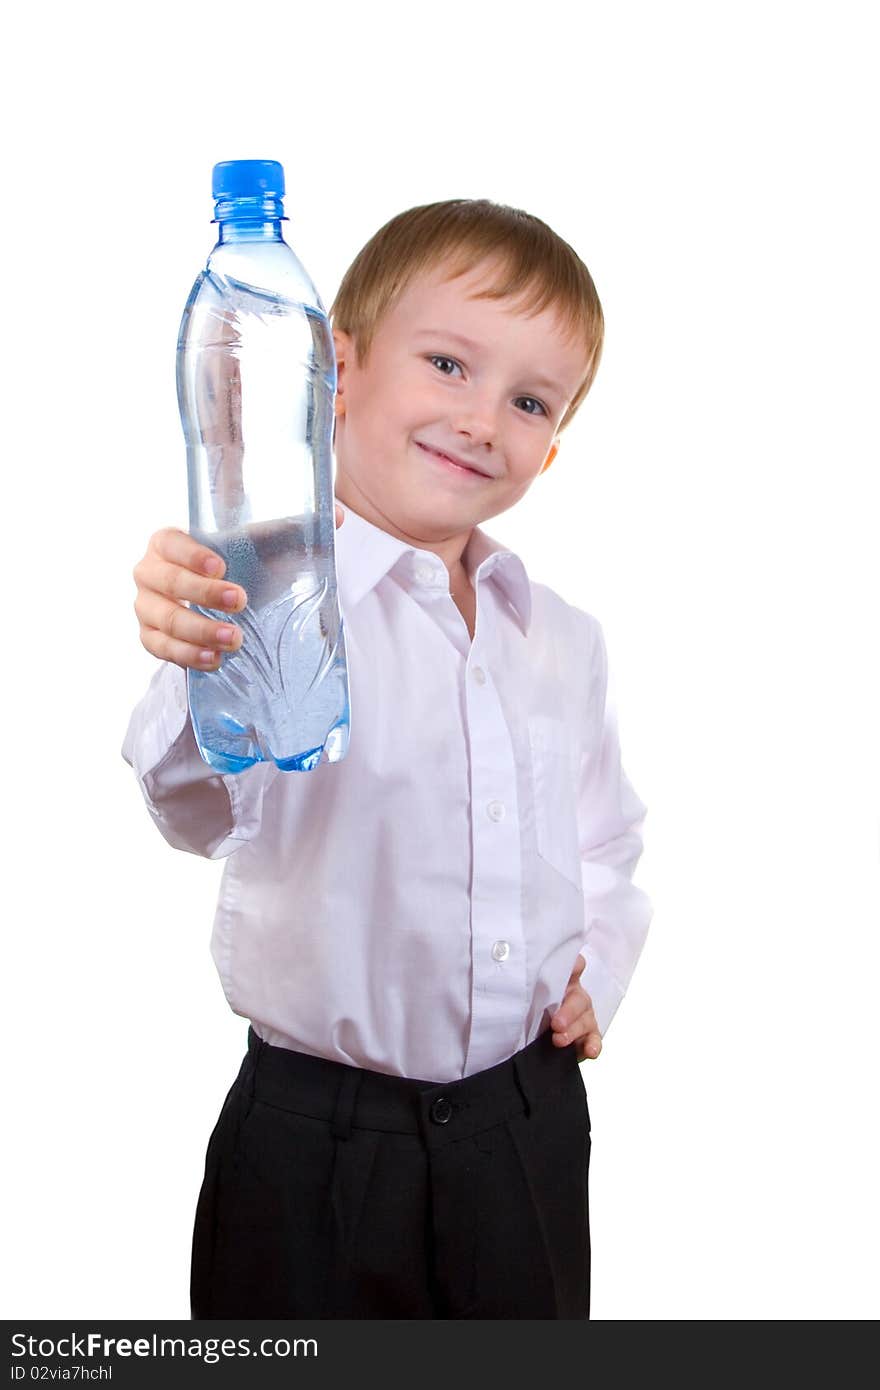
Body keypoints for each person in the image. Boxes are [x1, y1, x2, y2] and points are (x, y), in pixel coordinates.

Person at [123, 198, 653, 1320]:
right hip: (314, 1146)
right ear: (335, 369)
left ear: (550, 450)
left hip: (527, 1126)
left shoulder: (559, 637)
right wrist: (195, 652)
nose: (480, 420)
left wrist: (595, 968)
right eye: (449, 363)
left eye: (526, 401)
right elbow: (189, 811)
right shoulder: (265, 590)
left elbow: (607, 838)